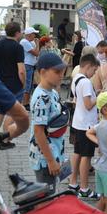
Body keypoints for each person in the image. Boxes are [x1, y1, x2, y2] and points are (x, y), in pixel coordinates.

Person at [28, 53, 67, 194]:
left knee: (50, 193)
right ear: (43, 72)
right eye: (57, 72)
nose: (61, 75)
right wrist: (50, 160)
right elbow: (38, 132)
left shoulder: (52, 92)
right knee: (47, 198)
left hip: (53, 151)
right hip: (45, 156)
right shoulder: (42, 98)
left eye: (63, 72)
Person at [68, 54, 100, 198]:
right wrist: (99, 97)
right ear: (88, 66)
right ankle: (84, 188)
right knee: (86, 156)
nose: (94, 73)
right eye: (94, 70)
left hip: (78, 122)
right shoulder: (86, 82)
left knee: (77, 153)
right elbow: (88, 105)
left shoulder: (76, 78)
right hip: (86, 124)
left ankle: (73, 182)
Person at [0, 22, 26, 150]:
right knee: (12, 113)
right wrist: (23, 83)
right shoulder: (18, 47)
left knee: (0, 112)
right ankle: (5, 140)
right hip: (14, 84)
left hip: (0, 82)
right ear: (18, 33)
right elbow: (21, 70)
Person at [20, 27, 40, 111]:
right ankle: (25, 103)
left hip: (31, 65)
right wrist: (38, 44)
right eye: (33, 34)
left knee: (29, 85)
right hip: (27, 65)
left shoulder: (30, 42)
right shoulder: (24, 42)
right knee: (27, 85)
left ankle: (26, 102)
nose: (35, 36)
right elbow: (36, 53)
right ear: (29, 35)